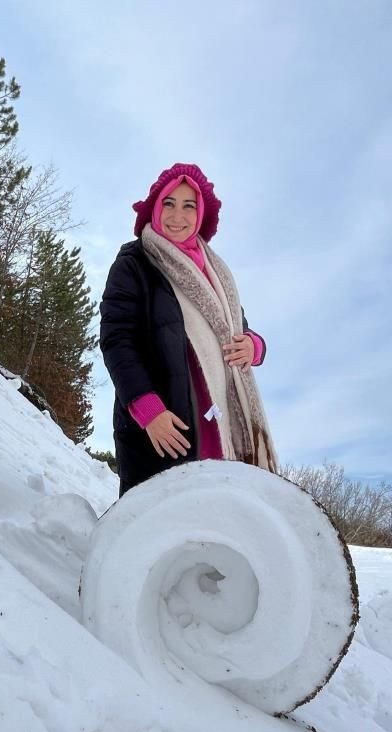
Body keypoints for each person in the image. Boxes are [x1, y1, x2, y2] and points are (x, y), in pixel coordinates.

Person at [100, 163, 278, 496]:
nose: (177, 215)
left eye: (188, 205)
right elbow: (117, 340)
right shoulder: (134, 263)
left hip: (219, 423)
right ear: (154, 206)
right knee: (156, 528)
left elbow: (239, 326)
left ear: (200, 215)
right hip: (164, 424)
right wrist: (148, 410)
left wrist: (254, 346)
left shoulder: (216, 274)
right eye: (169, 203)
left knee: (216, 526)